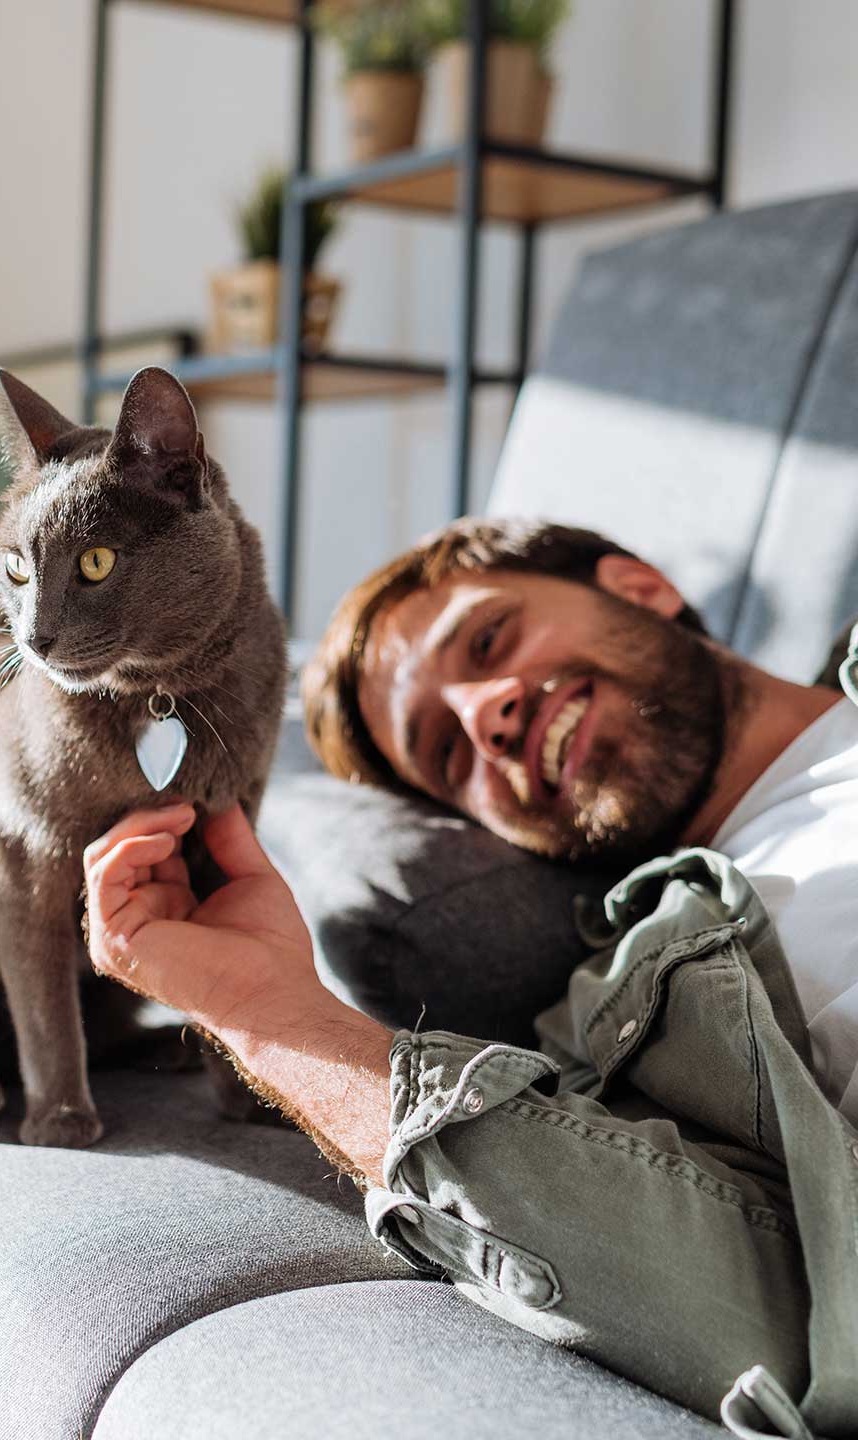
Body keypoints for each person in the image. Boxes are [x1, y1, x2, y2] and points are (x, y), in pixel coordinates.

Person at [81, 519, 858, 1439]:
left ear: (637, 587)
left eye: (489, 641)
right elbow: (759, 1320)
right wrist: (266, 1015)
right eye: (448, 757)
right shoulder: (635, 1022)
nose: (484, 716)